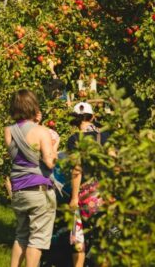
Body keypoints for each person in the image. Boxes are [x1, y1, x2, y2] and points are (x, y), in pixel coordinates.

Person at [5, 89, 58, 267]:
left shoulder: (9, 130)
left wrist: (35, 123)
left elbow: (21, 152)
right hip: (38, 191)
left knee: (21, 235)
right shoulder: (41, 131)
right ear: (33, 106)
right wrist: (55, 144)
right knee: (37, 239)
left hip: (18, 189)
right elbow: (50, 162)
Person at [66, 101, 110, 267]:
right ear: (93, 117)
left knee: (78, 235)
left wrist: (74, 198)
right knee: (106, 234)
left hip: (85, 194)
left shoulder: (74, 139)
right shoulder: (106, 136)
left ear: (75, 121)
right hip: (105, 192)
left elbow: (77, 169)